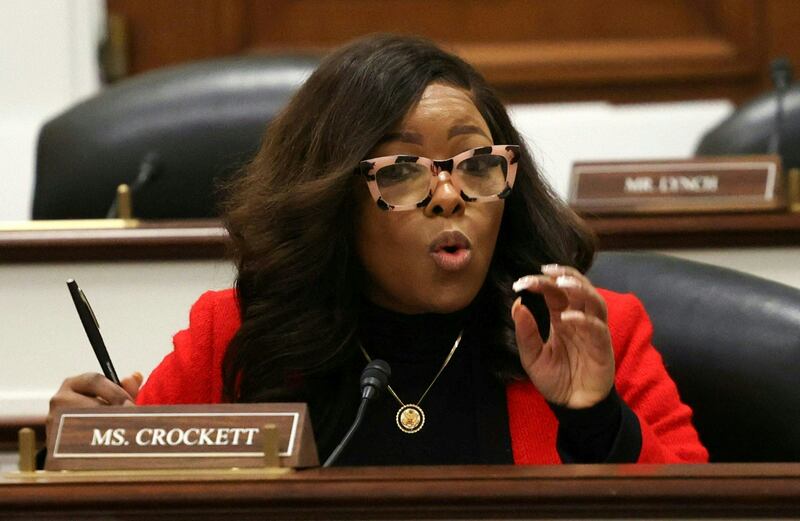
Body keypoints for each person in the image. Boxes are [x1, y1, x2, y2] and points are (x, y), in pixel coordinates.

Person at [47, 34, 708, 465]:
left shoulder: (588, 333)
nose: (449, 196)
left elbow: (697, 510)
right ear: (333, 199)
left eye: (477, 165)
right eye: (402, 171)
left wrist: (598, 421)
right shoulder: (242, 336)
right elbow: (131, 497)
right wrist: (88, 450)